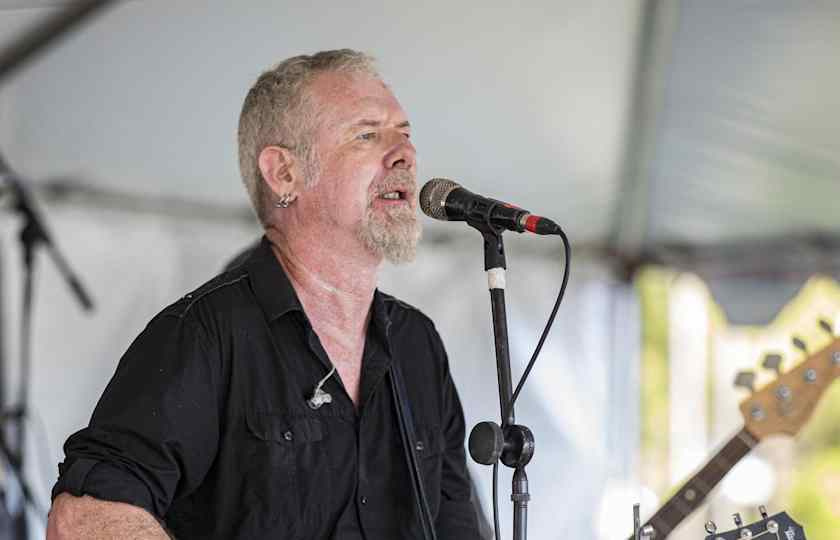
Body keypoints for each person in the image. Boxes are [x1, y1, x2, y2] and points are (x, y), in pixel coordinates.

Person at [46, 49, 483, 539]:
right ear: (283, 173)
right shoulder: (205, 335)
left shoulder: (416, 344)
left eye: (404, 133)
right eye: (367, 134)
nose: (404, 154)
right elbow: (85, 516)